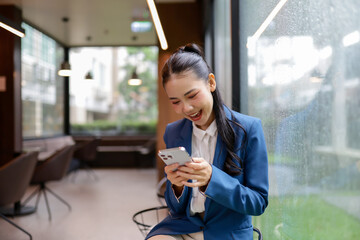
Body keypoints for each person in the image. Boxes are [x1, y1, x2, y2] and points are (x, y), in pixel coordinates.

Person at [146, 43, 268, 240]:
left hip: (225, 233)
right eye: (175, 101)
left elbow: (258, 203)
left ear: (211, 83)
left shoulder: (248, 129)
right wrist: (177, 186)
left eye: (192, 95)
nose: (186, 108)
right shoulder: (173, 132)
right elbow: (174, 207)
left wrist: (212, 179)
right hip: (184, 227)